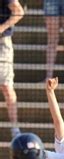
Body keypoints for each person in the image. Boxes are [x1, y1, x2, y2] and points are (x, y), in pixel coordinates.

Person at [0, 0, 24, 138]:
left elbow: (19, 12)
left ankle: (15, 128)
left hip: (2, 43)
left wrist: (2, 28)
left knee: (6, 86)